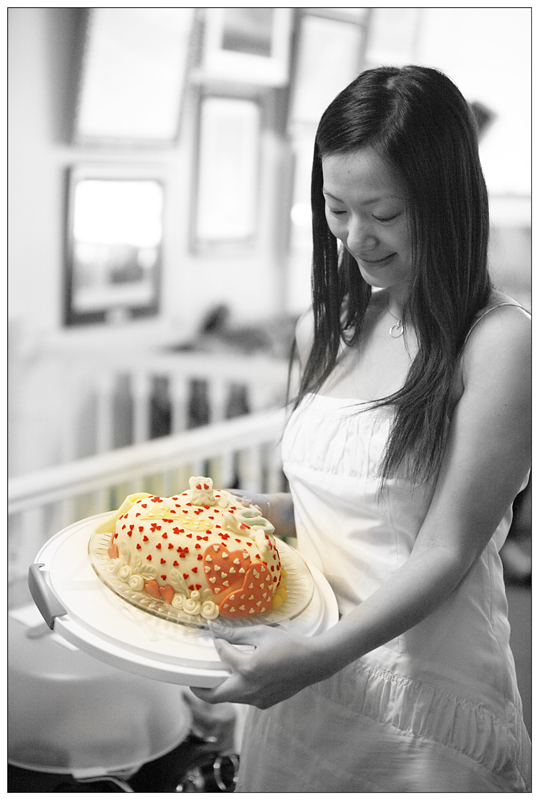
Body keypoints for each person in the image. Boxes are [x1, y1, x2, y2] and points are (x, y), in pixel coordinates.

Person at [192, 65, 531, 792]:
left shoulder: (499, 342)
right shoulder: (321, 327)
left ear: (446, 201)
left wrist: (320, 656)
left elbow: (442, 548)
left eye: (383, 212)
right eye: (335, 208)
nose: (355, 238)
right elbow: (352, 510)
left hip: (420, 693)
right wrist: (264, 510)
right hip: (304, 670)